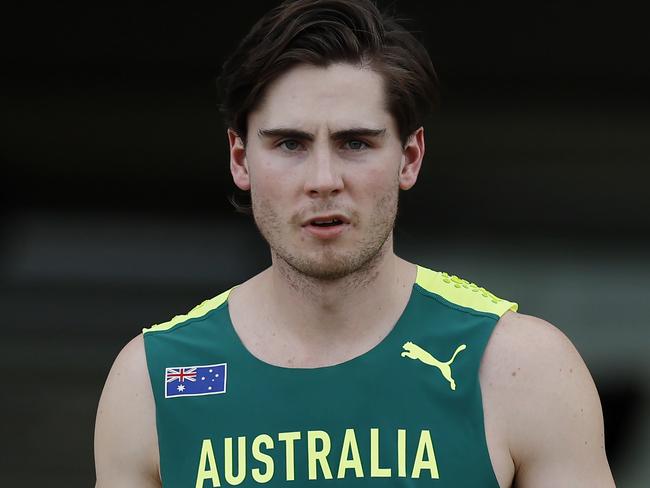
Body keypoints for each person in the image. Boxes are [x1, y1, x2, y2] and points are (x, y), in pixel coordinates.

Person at [94, 1, 615, 486]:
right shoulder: (152, 379)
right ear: (240, 159)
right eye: (290, 144)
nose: (323, 179)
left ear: (410, 158)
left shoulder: (518, 365)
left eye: (355, 143)